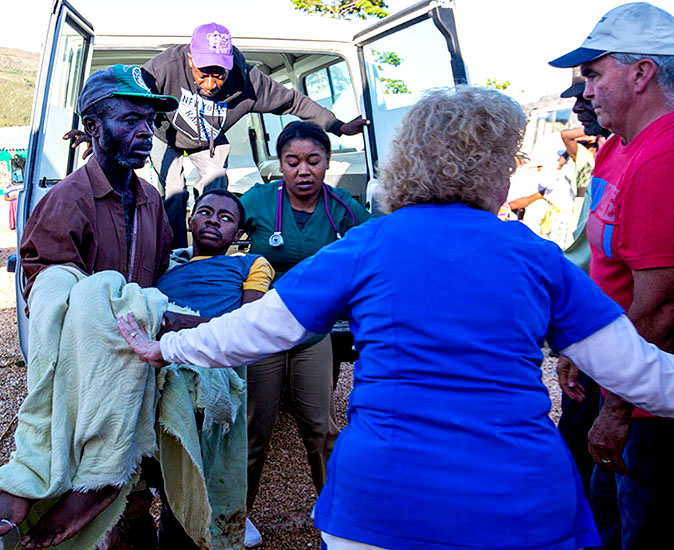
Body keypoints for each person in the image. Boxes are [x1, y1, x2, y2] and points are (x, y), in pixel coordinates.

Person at [118, 86, 674, 550]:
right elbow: (643, 376)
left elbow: (255, 330)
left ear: (409, 161)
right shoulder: (537, 257)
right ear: (494, 172)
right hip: (522, 504)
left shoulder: (365, 245)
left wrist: (163, 348)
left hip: (380, 504)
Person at [0, 64, 177, 549]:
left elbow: (162, 275)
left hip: (146, 364)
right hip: (94, 378)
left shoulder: (151, 199)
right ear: (94, 127)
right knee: (107, 483)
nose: (144, 132)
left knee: (150, 478)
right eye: (129, 120)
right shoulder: (67, 202)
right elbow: (51, 300)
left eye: (149, 122)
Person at [67, 22, 370, 249]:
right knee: (173, 191)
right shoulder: (164, 67)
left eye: (219, 74)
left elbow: (293, 101)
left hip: (209, 141)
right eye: (204, 73)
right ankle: (178, 254)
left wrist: (337, 125)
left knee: (216, 182)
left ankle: (212, 251)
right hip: (167, 135)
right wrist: (98, 135)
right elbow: (126, 97)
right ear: (189, 59)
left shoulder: (248, 80)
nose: (211, 82)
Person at [549, 3, 674, 548]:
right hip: (619, 380)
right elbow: (607, 272)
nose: (587, 90)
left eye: (595, 73)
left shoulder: (662, 158)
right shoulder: (620, 150)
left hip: (650, 406)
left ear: (642, 72)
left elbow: (661, 308)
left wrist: (617, 410)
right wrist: (581, 348)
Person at [238, 120, 370, 546]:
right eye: (292, 161)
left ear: (328, 163)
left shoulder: (344, 208)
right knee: (255, 428)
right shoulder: (258, 201)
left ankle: (337, 514)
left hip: (314, 332)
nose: (303, 170)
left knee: (321, 426)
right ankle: (235, 514)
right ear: (281, 164)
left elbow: (379, 241)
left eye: (313, 160)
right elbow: (218, 228)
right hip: (264, 330)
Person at [152, 188, 273, 549]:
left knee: (199, 475)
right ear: (189, 220)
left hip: (213, 371)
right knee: (164, 477)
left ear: (237, 235)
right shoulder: (165, 264)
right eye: (205, 212)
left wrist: (182, 323)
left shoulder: (251, 265)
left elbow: (246, 325)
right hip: (160, 367)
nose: (212, 221)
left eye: (225, 218)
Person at [552, 68, 612, 497]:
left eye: (590, 89)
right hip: (594, 328)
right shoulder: (610, 154)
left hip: (614, 330)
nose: (580, 103)